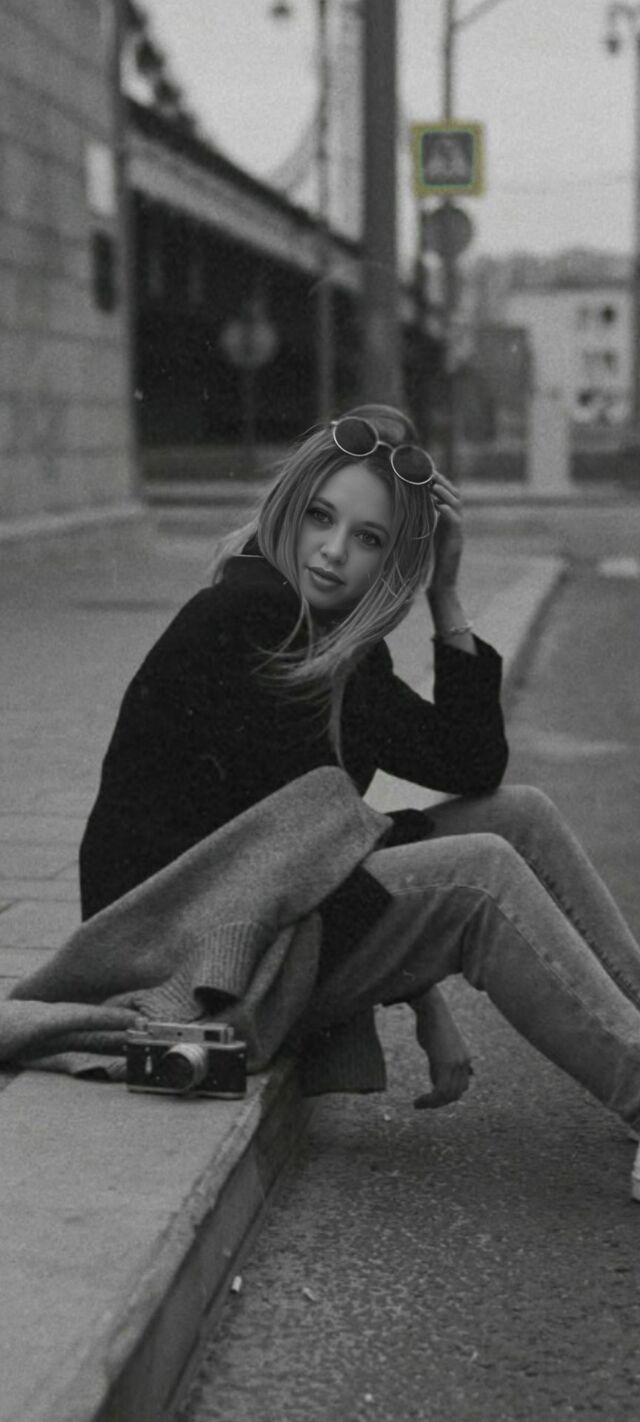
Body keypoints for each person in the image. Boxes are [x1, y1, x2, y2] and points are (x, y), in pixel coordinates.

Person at [79, 403, 640, 1199]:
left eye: (369, 538)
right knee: (478, 874)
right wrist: (424, 990)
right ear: (290, 507)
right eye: (321, 517)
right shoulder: (245, 618)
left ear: (394, 560)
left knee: (520, 815)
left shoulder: (332, 639)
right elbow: (312, 857)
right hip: (186, 946)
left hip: (257, 911)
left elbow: (468, 764)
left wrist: (447, 596)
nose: (335, 551)